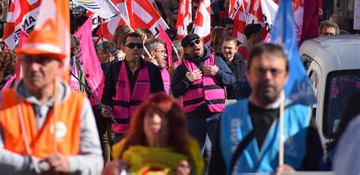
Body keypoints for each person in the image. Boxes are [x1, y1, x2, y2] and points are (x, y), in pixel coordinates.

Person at [0, 26, 103, 174]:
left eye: (43, 60)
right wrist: (35, 164)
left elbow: (95, 162)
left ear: (59, 65)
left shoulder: (78, 105)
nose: (34, 67)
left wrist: (68, 163)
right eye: (28, 59)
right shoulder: (1, 102)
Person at [209, 43, 323, 174]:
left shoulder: (302, 117)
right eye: (261, 70)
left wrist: (297, 173)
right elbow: (216, 168)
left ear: (285, 77)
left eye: (274, 71)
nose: (268, 77)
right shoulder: (230, 115)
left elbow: (318, 168)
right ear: (249, 75)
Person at [171, 34, 235, 164]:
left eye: (197, 41)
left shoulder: (216, 61)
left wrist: (218, 73)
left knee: (219, 152)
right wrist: (187, 80)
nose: (195, 45)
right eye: (191, 44)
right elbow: (175, 92)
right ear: (186, 49)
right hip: (194, 119)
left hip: (216, 116)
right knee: (194, 157)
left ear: (202, 43)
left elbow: (232, 80)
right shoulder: (182, 68)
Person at [104, 93, 204, 175]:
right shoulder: (125, 149)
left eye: (162, 115)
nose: (155, 120)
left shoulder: (188, 151)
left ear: (173, 122)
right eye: (150, 115)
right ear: (142, 121)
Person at [101, 32, 165, 142]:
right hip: (120, 130)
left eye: (139, 46)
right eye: (131, 46)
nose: (135, 49)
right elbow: (107, 95)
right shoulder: (113, 69)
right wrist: (106, 108)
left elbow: (160, 98)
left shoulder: (152, 70)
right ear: (123, 49)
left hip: (145, 130)